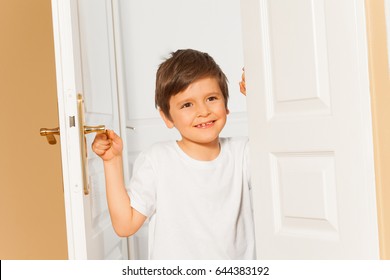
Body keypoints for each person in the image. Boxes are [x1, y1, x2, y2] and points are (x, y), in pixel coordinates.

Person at [92, 49, 255, 259]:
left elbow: (283, 158)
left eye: (212, 98)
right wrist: (112, 161)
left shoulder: (243, 153)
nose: (203, 111)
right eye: (187, 104)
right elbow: (125, 226)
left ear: (226, 104)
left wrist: (259, 97)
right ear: (167, 117)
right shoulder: (158, 160)